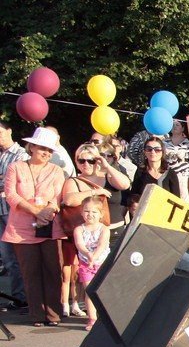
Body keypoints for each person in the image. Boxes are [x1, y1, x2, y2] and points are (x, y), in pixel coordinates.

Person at [2, 127, 66, 326]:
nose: (46, 153)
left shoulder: (57, 170)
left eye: (50, 150)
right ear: (31, 147)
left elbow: (57, 198)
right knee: (30, 272)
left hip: (49, 226)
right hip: (21, 228)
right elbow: (11, 195)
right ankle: (37, 315)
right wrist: (35, 211)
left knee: (53, 270)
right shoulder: (16, 167)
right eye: (42, 148)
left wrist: (46, 212)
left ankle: (54, 314)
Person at [61, 142, 129, 316]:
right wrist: (93, 192)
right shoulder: (74, 181)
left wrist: (106, 166)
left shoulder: (107, 176)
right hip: (88, 238)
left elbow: (125, 184)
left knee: (116, 276)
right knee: (91, 280)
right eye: (82, 160)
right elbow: (69, 200)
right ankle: (94, 316)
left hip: (115, 231)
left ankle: (115, 313)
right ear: (76, 162)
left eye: (91, 160)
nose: (86, 164)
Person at [0, 119, 29, 309]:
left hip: (14, 212)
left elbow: (16, 183)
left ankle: (24, 298)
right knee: (7, 258)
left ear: (9, 130)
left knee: (19, 256)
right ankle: (17, 296)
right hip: (0, 210)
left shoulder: (21, 154)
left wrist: (5, 181)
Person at [72, 196, 110, 331]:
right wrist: (88, 255)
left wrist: (94, 256)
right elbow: (80, 244)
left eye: (94, 212)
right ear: (82, 213)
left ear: (101, 214)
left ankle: (106, 317)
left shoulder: (104, 229)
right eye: (87, 211)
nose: (90, 215)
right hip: (86, 264)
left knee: (103, 291)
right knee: (90, 291)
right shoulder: (79, 229)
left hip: (102, 263)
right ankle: (92, 318)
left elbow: (102, 245)